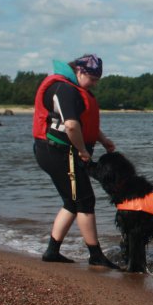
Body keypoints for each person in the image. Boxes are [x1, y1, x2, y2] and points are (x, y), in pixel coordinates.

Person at [32, 54, 118, 268]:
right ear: (79, 71)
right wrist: (82, 151)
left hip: (57, 151)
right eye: (93, 79)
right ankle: (96, 256)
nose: (95, 84)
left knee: (72, 202)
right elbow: (71, 125)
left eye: (98, 80)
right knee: (85, 200)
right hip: (60, 152)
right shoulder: (66, 89)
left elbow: (83, 122)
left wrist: (103, 140)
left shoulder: (72, 88)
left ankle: (52, 251)